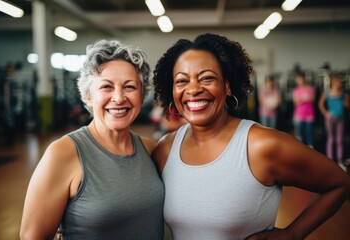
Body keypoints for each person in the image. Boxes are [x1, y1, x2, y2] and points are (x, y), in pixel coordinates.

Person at [151, 33, 350, 240]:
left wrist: (294, 233)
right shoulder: (165, 149)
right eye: (182, 81)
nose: (193, 89)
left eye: (207, 78)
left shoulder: (261, 145)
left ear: (227, 86)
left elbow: (338, 183)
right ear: (172, 90)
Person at [20, 39, 165, 240]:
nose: (119, 97)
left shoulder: (150, 149)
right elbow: (32, 237)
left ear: (142, 96)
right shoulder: (64, 153)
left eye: (130, 87)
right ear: (88, 96)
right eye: (106, 86)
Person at [318, 73, 350, 170]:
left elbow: (347, 105)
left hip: (340, 118)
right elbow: (320, 104)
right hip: (330, 119)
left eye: (339, 81)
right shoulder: (327, 93)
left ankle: (340, 161)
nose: (339, 83)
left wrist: (346, 103)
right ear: (333, 83)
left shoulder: (343, 93)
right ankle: (330, 161)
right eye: (337, 81)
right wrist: (326, 113)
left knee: (339, 140)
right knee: (331, 139)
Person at [292, 72, 316, 148]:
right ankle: (300, 150)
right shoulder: (296, 90)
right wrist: (303, 98)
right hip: (299, 115)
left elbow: (313, 99)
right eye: (298, 79)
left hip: (309, 114)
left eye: (301, 79)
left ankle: (311, 149)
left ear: (304, 79)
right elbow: (296, 102)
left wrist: (304, 98)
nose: (300, 80)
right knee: (299, 135)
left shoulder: (310, 89)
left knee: (309, 133)